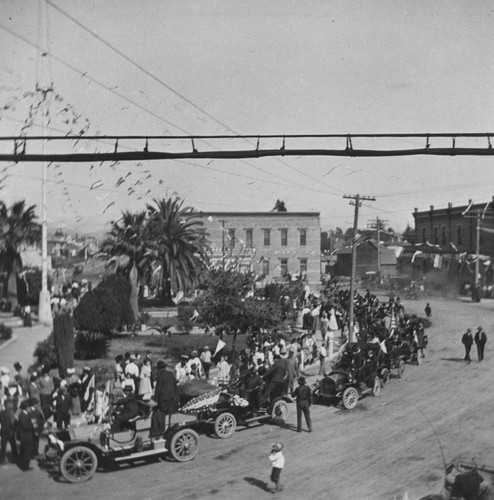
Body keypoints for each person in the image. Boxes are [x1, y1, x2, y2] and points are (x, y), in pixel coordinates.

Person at [151, 361, 178, 437]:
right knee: (170, 414)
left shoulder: (160, 376)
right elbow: (175, 385)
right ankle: (171, 430)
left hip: (163, 399)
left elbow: (158, 389)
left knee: (162, 415)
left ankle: (161, 431)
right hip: (171, 397)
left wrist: (155, 399)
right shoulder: (171, 374)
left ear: (159, 369)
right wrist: (174, 395)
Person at [17, 399, 35, 471]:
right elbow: (25, 427)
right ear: (26, 408)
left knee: (24, 451)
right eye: (29, 407)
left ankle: (23, 464)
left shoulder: (24, 414)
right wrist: (32, 424)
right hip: (26, 436)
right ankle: (25, 467)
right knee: (27, 452)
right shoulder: (23, 415)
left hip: (25, 436)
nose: (30, 408)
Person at [0, 398, 18, 465]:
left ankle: (2, 460)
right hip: (10, 432)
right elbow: (12, 422)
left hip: (3, 431)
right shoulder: (11, 412)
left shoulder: (2, 412)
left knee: (3, 447)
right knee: (13, 446)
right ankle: (15, 459)